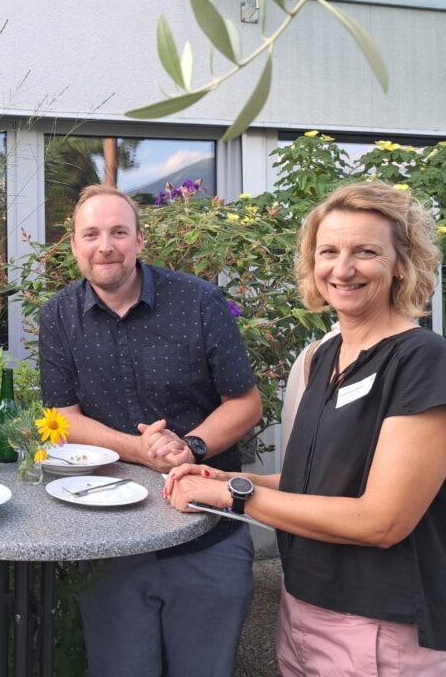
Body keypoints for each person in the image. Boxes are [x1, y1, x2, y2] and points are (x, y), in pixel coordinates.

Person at [165, 181, 446, 676]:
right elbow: (312, 486)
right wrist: (223, 480)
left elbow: (382, 521)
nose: (342, 268)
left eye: (366, 252)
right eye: (328, 251)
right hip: (305, 608)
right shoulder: (326, 357)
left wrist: (238, 498)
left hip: (380, 627)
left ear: (402, 261)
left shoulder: (424, 362)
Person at [39, 184, 263, 677]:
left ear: (140, 240)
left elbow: (245, 403)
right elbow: (64, 417)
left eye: (119, 232)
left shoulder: (199, 301)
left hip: (208, 533)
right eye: (91, 234)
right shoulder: (58, 316)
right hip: (110, 540)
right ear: (74, 245)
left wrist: (191, 445)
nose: (106, 246)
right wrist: (139, 450)